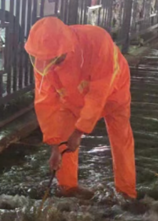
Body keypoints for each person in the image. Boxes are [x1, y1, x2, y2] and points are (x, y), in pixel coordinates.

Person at [25, 17, 137, 200]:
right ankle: (68, 189)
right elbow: (46, 102)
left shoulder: (97, 41)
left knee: (120, 138)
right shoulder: (44, 60)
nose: (48, 64)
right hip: (70, 96)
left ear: (64, 49)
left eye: (54, 59)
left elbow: (98, 94)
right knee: (63, 140)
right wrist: (54, 146)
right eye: (44, 59)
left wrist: (79, 131)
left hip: (114, 92)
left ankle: (126, 193)